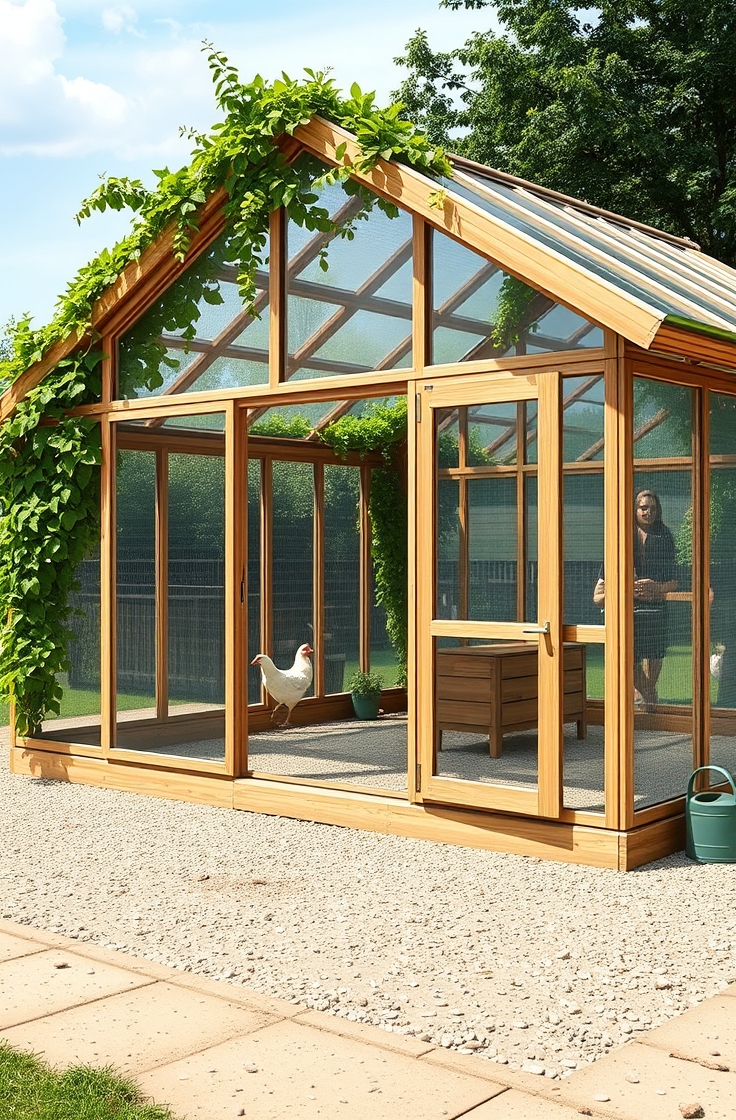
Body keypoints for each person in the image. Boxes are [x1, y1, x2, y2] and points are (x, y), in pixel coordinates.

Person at [592, 489, 677, 711]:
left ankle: (646, 695)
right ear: (635, 509)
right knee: (628, 655)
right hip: (628, 609)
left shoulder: (665, 537)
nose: (649, 512)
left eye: (653, 508)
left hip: (657, 607)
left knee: (656, 652)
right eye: (644, 508)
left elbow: (676, 581)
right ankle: (648, 694)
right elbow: (600, 592)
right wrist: (627, 589)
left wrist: (658, 588)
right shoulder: (622, 536)